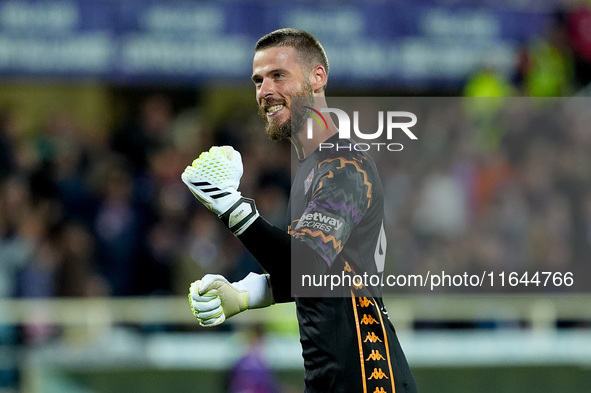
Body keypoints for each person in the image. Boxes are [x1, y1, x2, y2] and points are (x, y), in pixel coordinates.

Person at [182, 28, 417, 393]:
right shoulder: (310, 169)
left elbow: (306, 262)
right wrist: (248, 294)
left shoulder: (344, 166)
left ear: (317, 77)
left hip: (370, 383)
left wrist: (230, 206)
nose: (265, 91)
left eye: (279, 75)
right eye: (258, 81)